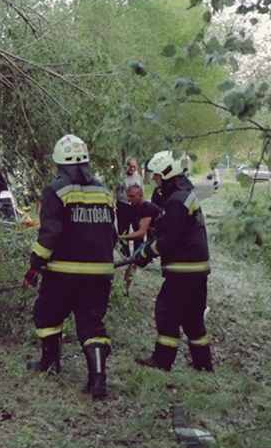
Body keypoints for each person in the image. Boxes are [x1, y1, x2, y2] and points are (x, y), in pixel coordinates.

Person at [23, 134, 118, 400]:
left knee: (47, 315)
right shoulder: (103, 192)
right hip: (100, 274)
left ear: (60, 164)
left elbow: (50, 234)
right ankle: (98, 379)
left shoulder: (56, 190)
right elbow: (112, 233)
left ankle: (50, 363)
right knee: (92, 324)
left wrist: (34, 266)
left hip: (62, 273)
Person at [132, 150, 213, 372]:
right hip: (197, 269)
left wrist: (145, 252)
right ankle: (203, 364)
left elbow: (169, 240)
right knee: (193, 319)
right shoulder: (185, 195)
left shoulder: (177, 201)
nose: (155, 181)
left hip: (183, 270)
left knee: (166, 312)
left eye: (156, 177)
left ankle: (162, 361)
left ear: (166, 176)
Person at [117, 184, 160, 295]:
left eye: (132, 196)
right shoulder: (133, 208)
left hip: (163, 239)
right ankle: (124, 291)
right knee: (134, 261)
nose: (129, 199)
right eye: (128, 196)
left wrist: (121, 237)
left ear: (141, 195)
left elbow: (141, 233)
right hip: (153, 239)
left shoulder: (148, 208)